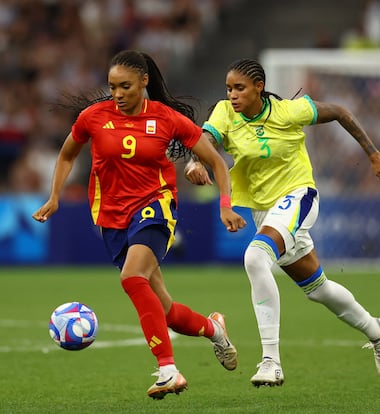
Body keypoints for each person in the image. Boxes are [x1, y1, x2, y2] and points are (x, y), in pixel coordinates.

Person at [32, 50, 246, 399]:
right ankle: (214, 329)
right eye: (112, 87)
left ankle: (168, 370)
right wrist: (55, 196)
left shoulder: (167, 119)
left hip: (155, 206)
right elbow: (68, 153)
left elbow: (217, 163)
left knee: (132, 278)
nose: (117, 94)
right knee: (166, 312)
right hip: (111, 217)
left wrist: (225, 206)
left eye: (125, 86)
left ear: (144, 82)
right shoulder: (94, 117)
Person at [184, 58, 380, 387]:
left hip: (298, 196)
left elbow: (339, 111)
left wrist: (373, 154)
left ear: (259, 87)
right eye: (229, 88)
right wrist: (195, 161)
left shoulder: (288, 112)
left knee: (254, 257)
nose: (233, 95)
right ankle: (377, 330)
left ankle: (271, 362)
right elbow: (206, 141)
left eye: (240, 88)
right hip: (264, 211)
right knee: (318, 289)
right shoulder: (225, 112)